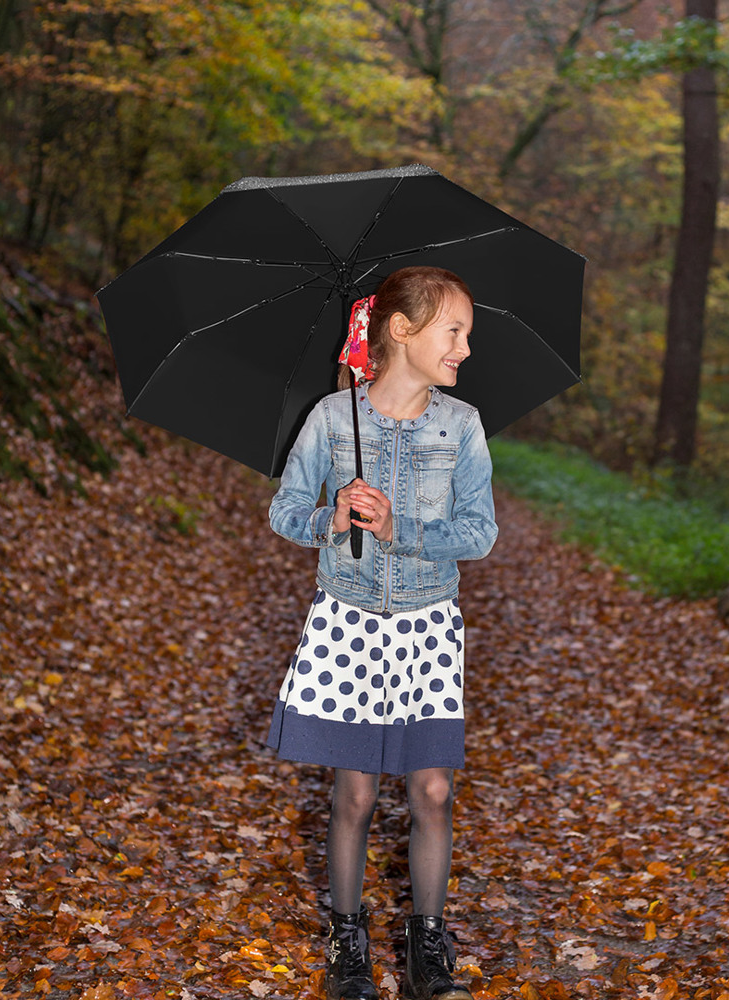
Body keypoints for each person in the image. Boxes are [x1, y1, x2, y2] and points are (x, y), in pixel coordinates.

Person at [266, 265, 498, 1000]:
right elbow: (284, 510)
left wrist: (403, 529)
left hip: (429, 625)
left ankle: (427, 944)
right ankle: (346, 942)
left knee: (431, 789)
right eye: (454, 331)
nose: (464, 348)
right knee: (355, 794)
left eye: (466, 334)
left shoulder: (461, 425)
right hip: (349, 623)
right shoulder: (335, 419)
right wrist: (329, 519)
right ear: (402, 330)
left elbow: (480, 532)